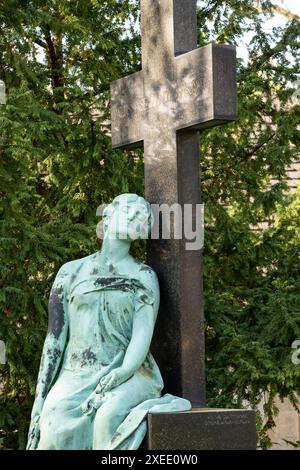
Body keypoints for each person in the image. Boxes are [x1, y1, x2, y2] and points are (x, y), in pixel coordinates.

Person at [27, 194, 190, 450]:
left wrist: (122, 372)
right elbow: (55, 339)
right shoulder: (71, 272)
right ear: (108, 215)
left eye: (143, 218)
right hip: (76, 372)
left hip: (129, 372)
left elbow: (141, 335)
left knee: (108, 415)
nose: (137, 220)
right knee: (52, 422)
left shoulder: (143, 276)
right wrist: (40, 398)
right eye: (131, 212)